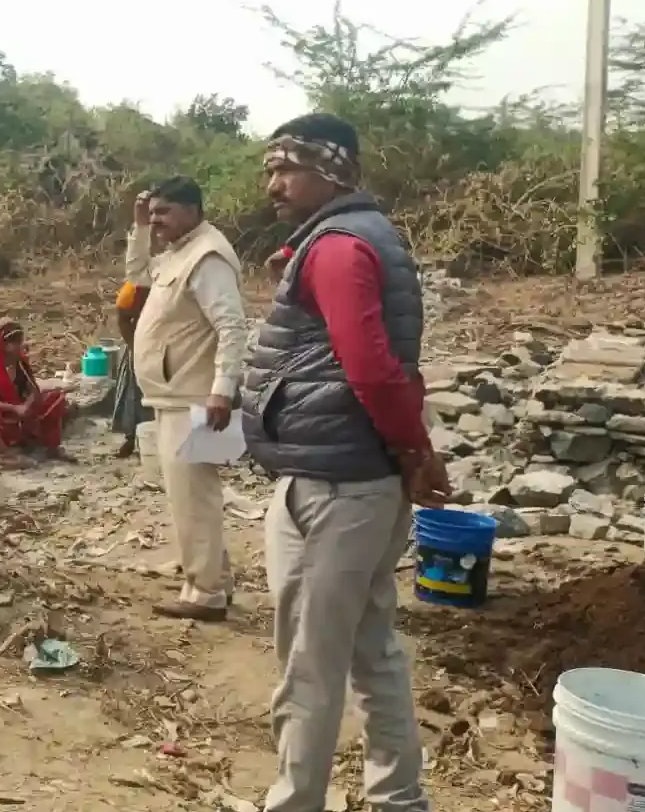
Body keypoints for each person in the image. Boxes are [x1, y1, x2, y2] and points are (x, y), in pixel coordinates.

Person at [241, 113, 449, 812]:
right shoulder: (358, 239)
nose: (273, 183)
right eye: (271, 169)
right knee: (370, 646)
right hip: (359, 476)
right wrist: (410, 453)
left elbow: (372, 368)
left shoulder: (337, 247)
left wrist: (415, 448)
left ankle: (296, 801)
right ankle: (400, 796)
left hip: (334, 483)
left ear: (332, 171)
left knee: (310, 660)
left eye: (285, 168)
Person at [126, 177, 249, 622]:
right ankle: (217, 579)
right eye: (152, 212)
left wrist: (222, 390)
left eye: (164, 212)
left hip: (197, 399)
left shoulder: (208, 256)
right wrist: (140, 227)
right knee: (197, 497)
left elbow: (232, 328)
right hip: (175, 396)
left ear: (193, 210)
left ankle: (204, 594)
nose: (156, 220)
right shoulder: (180, 251)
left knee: (193, 499)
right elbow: (137, 275)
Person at [0, 319, 69, 466]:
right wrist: (14, 408)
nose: (23, 345)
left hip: (23, 418)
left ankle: (51, 446)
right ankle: (4, 453)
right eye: (18, 342)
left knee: (56, 398)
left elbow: (34, 391)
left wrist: (28, 403)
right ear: (6, 346)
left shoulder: (21, 364)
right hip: (2, 420)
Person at [110, 279, 154, 457]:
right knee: (133, 393)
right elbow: (122, 318)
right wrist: (136, 347)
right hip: (141, 344)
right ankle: (131, 437)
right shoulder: (134, 289)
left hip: (174, 346)